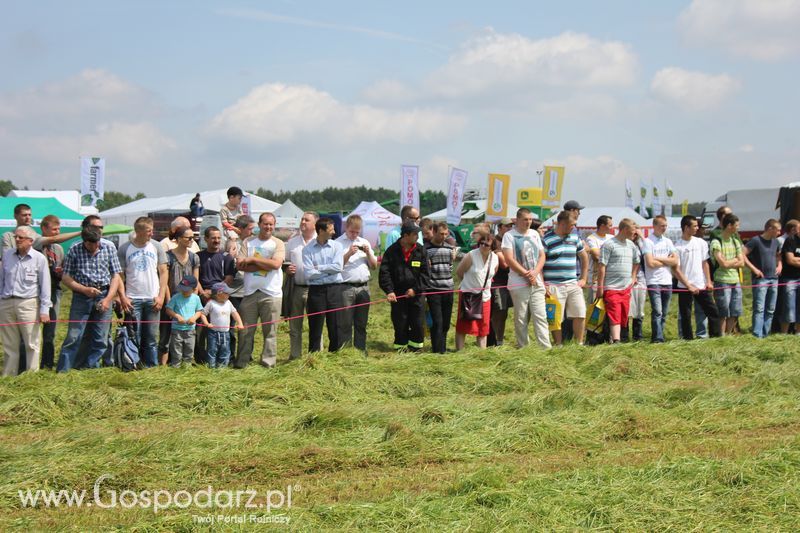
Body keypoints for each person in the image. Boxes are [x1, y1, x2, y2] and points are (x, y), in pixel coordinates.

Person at [56, 225, 122, 372]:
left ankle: (91, 369)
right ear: (84, 241)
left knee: (101, 337)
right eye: (91, 244)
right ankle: (64, 370)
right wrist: (84, 289)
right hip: (81, 296)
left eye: (97, 242)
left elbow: (115, 276)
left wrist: (108, 299)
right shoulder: (74, 250)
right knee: (74, 335)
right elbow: (66, 277)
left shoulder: (109, 248)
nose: (94, 246)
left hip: (104, 293)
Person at [117, 217, 168, 367]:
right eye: (148, 231)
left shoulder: (156, 246)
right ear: (138, 231)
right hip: (133, 299)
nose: (152, 233)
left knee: (151, 336)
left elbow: (164, 272)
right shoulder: (125, 249)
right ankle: (133, 363)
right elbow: (119, 276)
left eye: (152, 230)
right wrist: (122, 297)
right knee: (134, 335)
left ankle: (151, 366)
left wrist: (161, 296)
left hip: (153, 298)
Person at [235, 212, 284, 368]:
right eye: (265, 224)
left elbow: (276, 264)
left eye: (271, 224)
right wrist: (266, 264)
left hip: (272, 294)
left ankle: (268, 363)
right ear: (259, 224)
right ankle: (242, 362)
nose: (268, 227)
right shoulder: (248, 242)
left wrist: (252, 259)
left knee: (270, 332)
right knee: (245, 331)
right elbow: (240, 265)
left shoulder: (278, 243)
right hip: (250, 293)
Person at [0, 226, 51, 376]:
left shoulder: (39, 258)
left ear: (31, 241)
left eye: (20, 238)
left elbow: (45, 285)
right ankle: (9, 376)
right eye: (15, 237)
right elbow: (1, 280)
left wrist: (44, 310)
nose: (17, 240)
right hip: (7, 302)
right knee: (9, 344)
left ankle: (31, 377)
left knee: (31, 342)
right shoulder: (7, 255)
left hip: (28, 304)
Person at [502, 208, 551, 349]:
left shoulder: (535, 234)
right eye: (525, 219)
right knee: (521, 318)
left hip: (536, 282)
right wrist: (527, 274)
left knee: (540, 316)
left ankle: (545, 348)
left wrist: (535, 273)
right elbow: (509, 259)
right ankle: (524, 348)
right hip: (518, 283)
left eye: (530, 219)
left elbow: (542, 256)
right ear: (517, 220)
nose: (528, 222)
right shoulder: (509, 236)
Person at [379, 222, 429, 351]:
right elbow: (384, 273)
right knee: (400, 323)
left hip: (417, 295)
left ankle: (416, 349)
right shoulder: (391, 251)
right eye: (414, 234)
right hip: (398, 295)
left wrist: (415, 289)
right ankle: (400, 349)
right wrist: (389, 291)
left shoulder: (421, 250)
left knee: (417, 323)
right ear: (405, 236)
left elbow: (426, 274)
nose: (417, 237)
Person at [541, 210, 588, 345]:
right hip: (553, 285)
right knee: (556, 318)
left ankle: (579, 344)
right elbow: (540, 263)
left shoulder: (575, 238)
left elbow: (584, 257)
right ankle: (559, 344)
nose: (573, 227)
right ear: (562, 223)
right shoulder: (546, 240)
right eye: (572, 225)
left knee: (580, 313)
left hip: (573, 284)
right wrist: (543, 284)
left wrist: (583, 278)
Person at [673, 215, 722, 339]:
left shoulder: (701, 243)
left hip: (701, 285)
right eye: (694, 226)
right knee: (686, 315)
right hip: (685, 287)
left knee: (713, 311)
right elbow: (676, 270)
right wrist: (688, 285)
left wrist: (708, 281)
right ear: (686, 227)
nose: (697, 228)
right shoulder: (677, 247)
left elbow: (704, 263)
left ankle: (715, 337)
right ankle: (687, 340)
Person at [158, 227, 200, 365]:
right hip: (171, 299)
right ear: (179, 239)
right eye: (189, 238)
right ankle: (163, 364)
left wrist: (193, 302)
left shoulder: (194, 257)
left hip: (188, 301)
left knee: (187, 332)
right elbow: (165, 280)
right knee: (165, 333)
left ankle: (186, 361)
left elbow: (196, 281)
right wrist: (169, 302)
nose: (192, 240)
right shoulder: (167, 256)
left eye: (193, 237)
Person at [303, 217, 346, 352]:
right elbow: (309, 274)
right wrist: (329, 271)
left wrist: (319, 268)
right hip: (316, 291)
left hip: (334, 289)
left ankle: (336, 355)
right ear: (321, 231)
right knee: (315, 327)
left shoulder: (337, 246)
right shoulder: (307, 249)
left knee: (336, 326)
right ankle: (314, 357)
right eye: (331, 229)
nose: (334, 232)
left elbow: (338, 267)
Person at [336, 214, 377, 353]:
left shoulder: (364, 242)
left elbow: (374, 266)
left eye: (357, 232)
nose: (354, 234)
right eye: (352, 231)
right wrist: (348, 254)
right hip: (346, 288)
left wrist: (369, 253)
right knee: (345, 323)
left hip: (364, 287)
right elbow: (336, 267)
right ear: (346, 227)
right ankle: (346, 351)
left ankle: (360, 351)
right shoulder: (338, 243)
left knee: (361, 322)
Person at [196, 226, 236, 363]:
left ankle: (225, 358)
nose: (217, 240)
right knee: (201, 329)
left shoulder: (227, 257)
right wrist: (202, 292)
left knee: (224, 329)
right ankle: (201, 358)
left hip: (221, 298)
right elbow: (195, 277)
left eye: (219, 238)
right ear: (206, 239)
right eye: (213, 238)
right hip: (202, 297)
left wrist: (214, 293)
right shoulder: (198, 256)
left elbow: (229, 278)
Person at [597, 218, 640, 343]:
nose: (635, 233)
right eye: (633, 230)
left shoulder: (631, 245)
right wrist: (600, 288)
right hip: (612, 287)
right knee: (614, 314)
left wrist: (633, 277)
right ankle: (616, 340)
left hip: (626, 288)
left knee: (623, 315)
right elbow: (602, 267)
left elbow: (637, 261)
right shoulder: (609, 245)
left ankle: (618, 339)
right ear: (625, 229)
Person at [455, 228, 498, 350]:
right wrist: (469, 284)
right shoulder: (471, 255)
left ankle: (481, 352)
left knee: (483, 327)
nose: (483, 246)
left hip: (485, 297)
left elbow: (492, 275)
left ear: (492, 247)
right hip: (468, 296)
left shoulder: (495, 258)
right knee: (463, 325)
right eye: (481, 243)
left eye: (486, 245)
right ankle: (460, 351)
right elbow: (459, 272)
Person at [285, 211, 318, 359]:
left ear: (315, 224)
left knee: (315, 325)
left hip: (315, 289)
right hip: (296, 288)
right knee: (294, 326)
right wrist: (287, 269)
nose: (303, 222)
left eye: (307, 220)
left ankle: (316, 356)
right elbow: (285, 262)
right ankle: (295, 356)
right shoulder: (292, 242)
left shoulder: (321, 241)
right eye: (302, 219)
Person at [641, 215, 678, 342]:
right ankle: (657, 338)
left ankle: (659, 335)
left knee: (664, 313)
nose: (664, 228)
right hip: (654, 281)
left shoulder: (668, 241)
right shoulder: (648, 241)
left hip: (667, 281)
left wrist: (658, 258)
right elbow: (650, 263)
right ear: (654, 226)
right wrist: (667, 261)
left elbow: (675, 261)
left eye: (665, 225)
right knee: (657, 311)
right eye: (662, 225)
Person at [35, 215, 64, 370]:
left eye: (59, 229)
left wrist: (60, 272)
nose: (57, 232)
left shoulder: (58, 249)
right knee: (32, 330)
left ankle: (47, 363)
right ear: (44, 228)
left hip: (54, 290)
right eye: (54, 229)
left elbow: (61, 267)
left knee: (50, 331)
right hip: (35, 291)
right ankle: (29, 363)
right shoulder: (36, 243)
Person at [745, 219, 782, 338]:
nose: (779, 233)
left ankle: (766, 333)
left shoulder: (776, 242)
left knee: (771, 309)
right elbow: (742, 254)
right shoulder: (755, 240)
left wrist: (779, 265)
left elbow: (778, 255)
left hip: (774, 278)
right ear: (770, 229)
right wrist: (754, 269)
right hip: (761, 279)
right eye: (778, 230)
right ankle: (757, 334)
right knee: (759, 308)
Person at [424, 221, 456, 353]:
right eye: (441, 234)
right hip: (434, 290)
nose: (444, 236)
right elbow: (425, 271)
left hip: (448, 289)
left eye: (446, 234)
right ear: (434, 232)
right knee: (437, 322)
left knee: (446, 323)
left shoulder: (450, 248)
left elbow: (450, 267)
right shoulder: (426, 249)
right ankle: (437, 350)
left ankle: (442, 347)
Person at [711, 213, 744, 335]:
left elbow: (742, 262)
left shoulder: (735, 241)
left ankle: (729, 335)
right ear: (729, 225)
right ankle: (721, 336)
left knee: (734, 311)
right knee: (723, 311)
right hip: (722, 280)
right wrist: (735, 260)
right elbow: (722, 264)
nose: (738, 228)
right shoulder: (716, 242)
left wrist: (729, 261)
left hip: (735, 280)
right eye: (737, 225)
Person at [1, 203, 82, 253]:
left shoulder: (33, 235)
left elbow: (53, 240)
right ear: (15, 216)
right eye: (24, 215)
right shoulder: (7, 236)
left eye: (29, 215)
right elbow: (6, 258)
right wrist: (80, 232)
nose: (28, 217)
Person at [164, 274, 205, 367]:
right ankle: (176, 365)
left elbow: (199, 311)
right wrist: (177, 316)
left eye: (187, 290)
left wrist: (194, 318)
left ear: (194, 289)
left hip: (190, 330)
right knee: (176, 349)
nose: (184, 291)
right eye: (182, 289)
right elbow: (168, 309)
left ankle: (187, 366)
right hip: (177, 329)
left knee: (189, 348)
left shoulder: (196, 298)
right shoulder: (175, 297)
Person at [202, 282, 244, 368]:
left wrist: (240, 323)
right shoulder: (211, 303)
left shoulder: (228, 303)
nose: (229, 294)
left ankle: (222, 367)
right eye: (226, 293)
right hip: (213, 333)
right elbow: (203, 314)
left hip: (225, 333)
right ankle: (211, 366)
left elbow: (235, 313)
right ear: (219, 294)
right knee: (212, 350)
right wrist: (206, 323)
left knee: (225, 350)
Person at [487, 218, 513, 347]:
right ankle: (492, 340)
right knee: (498, 312)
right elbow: (504, 264)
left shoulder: (511, 240)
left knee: (504, 313)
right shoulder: (496, 242)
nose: (509, 228)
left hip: (510, 281)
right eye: (507, 226)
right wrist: (516, 262)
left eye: (511, 226)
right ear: (499, 227)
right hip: (497, 282)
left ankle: (499, 340)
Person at [585, 215, 614, 303]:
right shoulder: (591, 238)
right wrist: (612, 256)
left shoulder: (612, 238)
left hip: (609, 278)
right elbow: (597, 256)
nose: (611, 228)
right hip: (595, 278)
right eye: (610, 225)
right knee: (594, 306)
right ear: (602, 226)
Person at [780, 222, 800, 334]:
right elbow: (790, 260)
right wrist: (794, 259)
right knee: (788, 307)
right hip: (790, 278)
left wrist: (796, 259)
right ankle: (784, 333)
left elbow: (794, 259)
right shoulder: (790, 240)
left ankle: (798, 332)